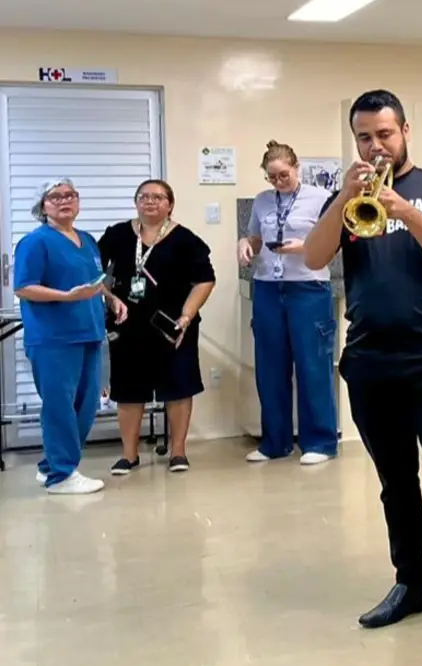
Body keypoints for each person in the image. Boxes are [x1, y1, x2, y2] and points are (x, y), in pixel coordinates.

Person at [303, 88, 422, 637]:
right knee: (396, 481)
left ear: (405, 131)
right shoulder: (347, 197)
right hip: (370, 359)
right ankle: (411, 582)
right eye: (364, 137)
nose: (376, 145)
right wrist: (344, 199)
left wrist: (406, 212)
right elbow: (315, 258)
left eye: (385, 133)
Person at [13, 179, 127, 495]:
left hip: (89, 332)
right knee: (59, 407)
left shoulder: (87, 240)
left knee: (87, 406)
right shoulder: (35, 242)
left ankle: (51, 465)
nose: (65, 201)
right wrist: (65, 297)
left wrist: (110, 298)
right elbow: (23, 287)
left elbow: (94, 281)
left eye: (70, 195)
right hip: (53, 337)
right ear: (43, 206)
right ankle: (62, 476)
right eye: (56, 197)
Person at [98, 179, 216, 475]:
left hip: (172, 326)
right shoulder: (117, 235)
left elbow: (205, 280)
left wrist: (187, 315)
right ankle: (129, 455)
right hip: (127, 324)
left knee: (178, 387)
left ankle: (178, 452)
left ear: (170, 204)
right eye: (144, 196)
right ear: (135, 202)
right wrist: (110, 298)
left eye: (158, 197)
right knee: (128, 389)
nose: (150, 201)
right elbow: (93, 273)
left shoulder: (186, 239)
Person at [238, 140, 338, 465]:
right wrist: (245, 244)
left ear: (297, 168)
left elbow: (333, 243)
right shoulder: (262, 201)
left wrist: (304, 247)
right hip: (268, 287)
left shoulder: (321, 198)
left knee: (313, 366)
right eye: (272, 177)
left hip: (308, 287)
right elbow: (256, 238)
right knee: (270, 368)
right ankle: (275, 442)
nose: (279, 182)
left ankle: (320, 442)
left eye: (284, 175)